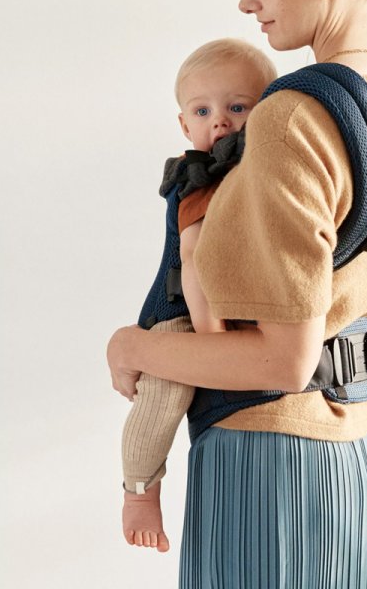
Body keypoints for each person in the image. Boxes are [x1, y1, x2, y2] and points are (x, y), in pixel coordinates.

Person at [107, 0, 367, 588]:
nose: (246, 3)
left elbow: (283, 363)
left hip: (273, 470)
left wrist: (132, 344)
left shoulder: (291, 117)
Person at [121, 38, 277, 553]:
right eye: (203, 111)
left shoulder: (255, 174)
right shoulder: (200, 180)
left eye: (238, 107)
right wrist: (212, 341)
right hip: (180, 312)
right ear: (185, 125)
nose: (221, 122)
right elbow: (196, 262)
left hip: (221, 304)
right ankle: (139, 490)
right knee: (165, 397)